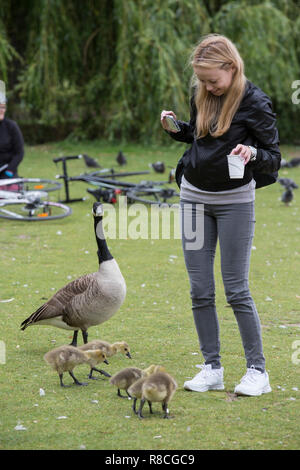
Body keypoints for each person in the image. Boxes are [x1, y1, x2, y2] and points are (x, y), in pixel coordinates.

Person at [161, 34, 281, 396]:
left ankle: (258, 372)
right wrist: (177, 129)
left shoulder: (256, 103)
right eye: (202, 81)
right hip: (194, 198)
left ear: (231, 67)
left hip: (234, 204)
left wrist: (253, 153)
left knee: (236, 290)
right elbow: (203, 140)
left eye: (213, 80)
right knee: (200, 290)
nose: (208, 87)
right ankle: (211, 367)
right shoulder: (203, 94)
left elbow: (274, 158)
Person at [0, 95, 24, 181]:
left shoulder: (11, 126)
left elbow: (19, 153)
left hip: (8, 174)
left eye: (3, 107)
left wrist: (9, 171)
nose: (1, 110)